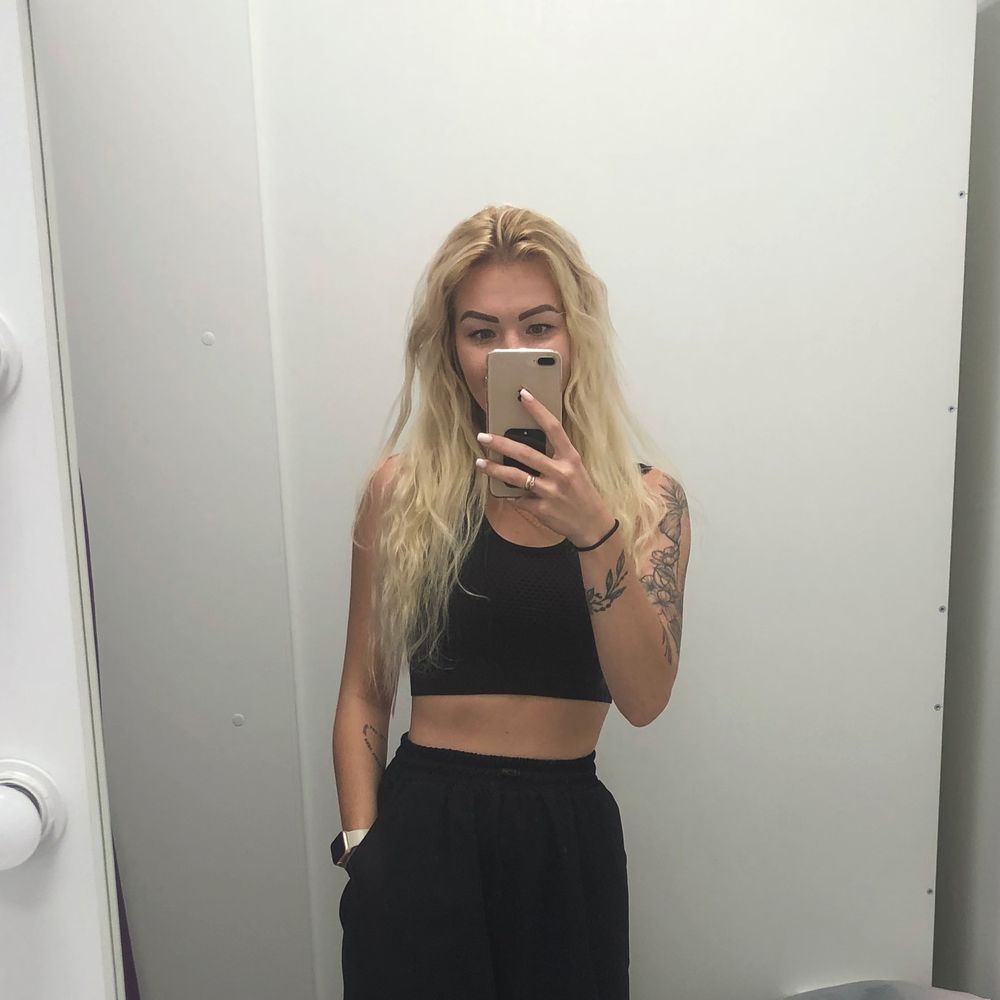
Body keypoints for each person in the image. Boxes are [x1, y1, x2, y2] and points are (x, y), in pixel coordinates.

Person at [331, 204, 692, 999]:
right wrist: (363, 848)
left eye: (537, 327)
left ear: (576, 335)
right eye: (481, 332)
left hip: (567, 839)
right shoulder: (403, 493)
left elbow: (645, 699)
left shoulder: (647, 503)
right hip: (423, 830)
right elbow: (364, 687)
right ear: (449, 347)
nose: (510, 353)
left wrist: (593, 528)